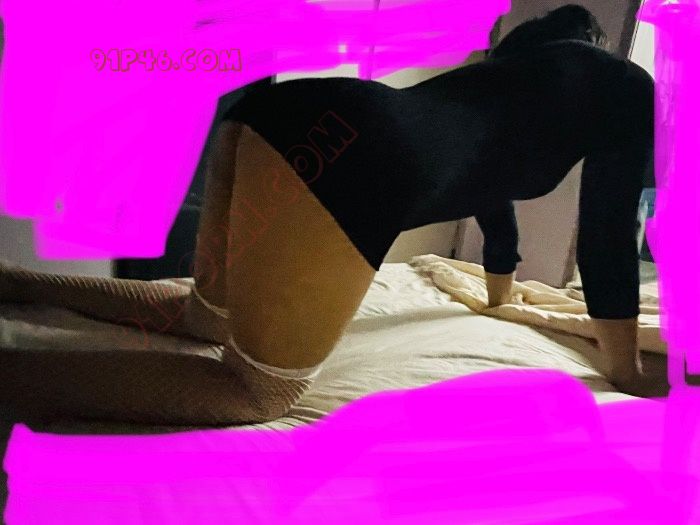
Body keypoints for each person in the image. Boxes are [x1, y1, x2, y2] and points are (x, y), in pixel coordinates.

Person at [0, 4, 655, 424]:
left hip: (280, 112)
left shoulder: (510, 82)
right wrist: (626, 376)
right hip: (360, 157)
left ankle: (16, 283)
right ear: (600, 45)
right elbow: (607, 234)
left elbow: (493, 198)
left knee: (207, 317)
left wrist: (498, 296)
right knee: (258, 391)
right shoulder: (625, 86)